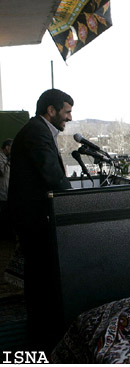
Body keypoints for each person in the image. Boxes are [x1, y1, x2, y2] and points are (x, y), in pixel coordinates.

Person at [8, 89, 74, 353]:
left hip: (33, 217)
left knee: (40, 279)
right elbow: (52, 176)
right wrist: (72, 201)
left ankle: (41, 331)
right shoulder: (37, 132)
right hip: (34, 220)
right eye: (67, 111)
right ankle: (41, 338)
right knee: (40, 279)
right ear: (51, 110)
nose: (70, 117)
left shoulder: (38, 129)